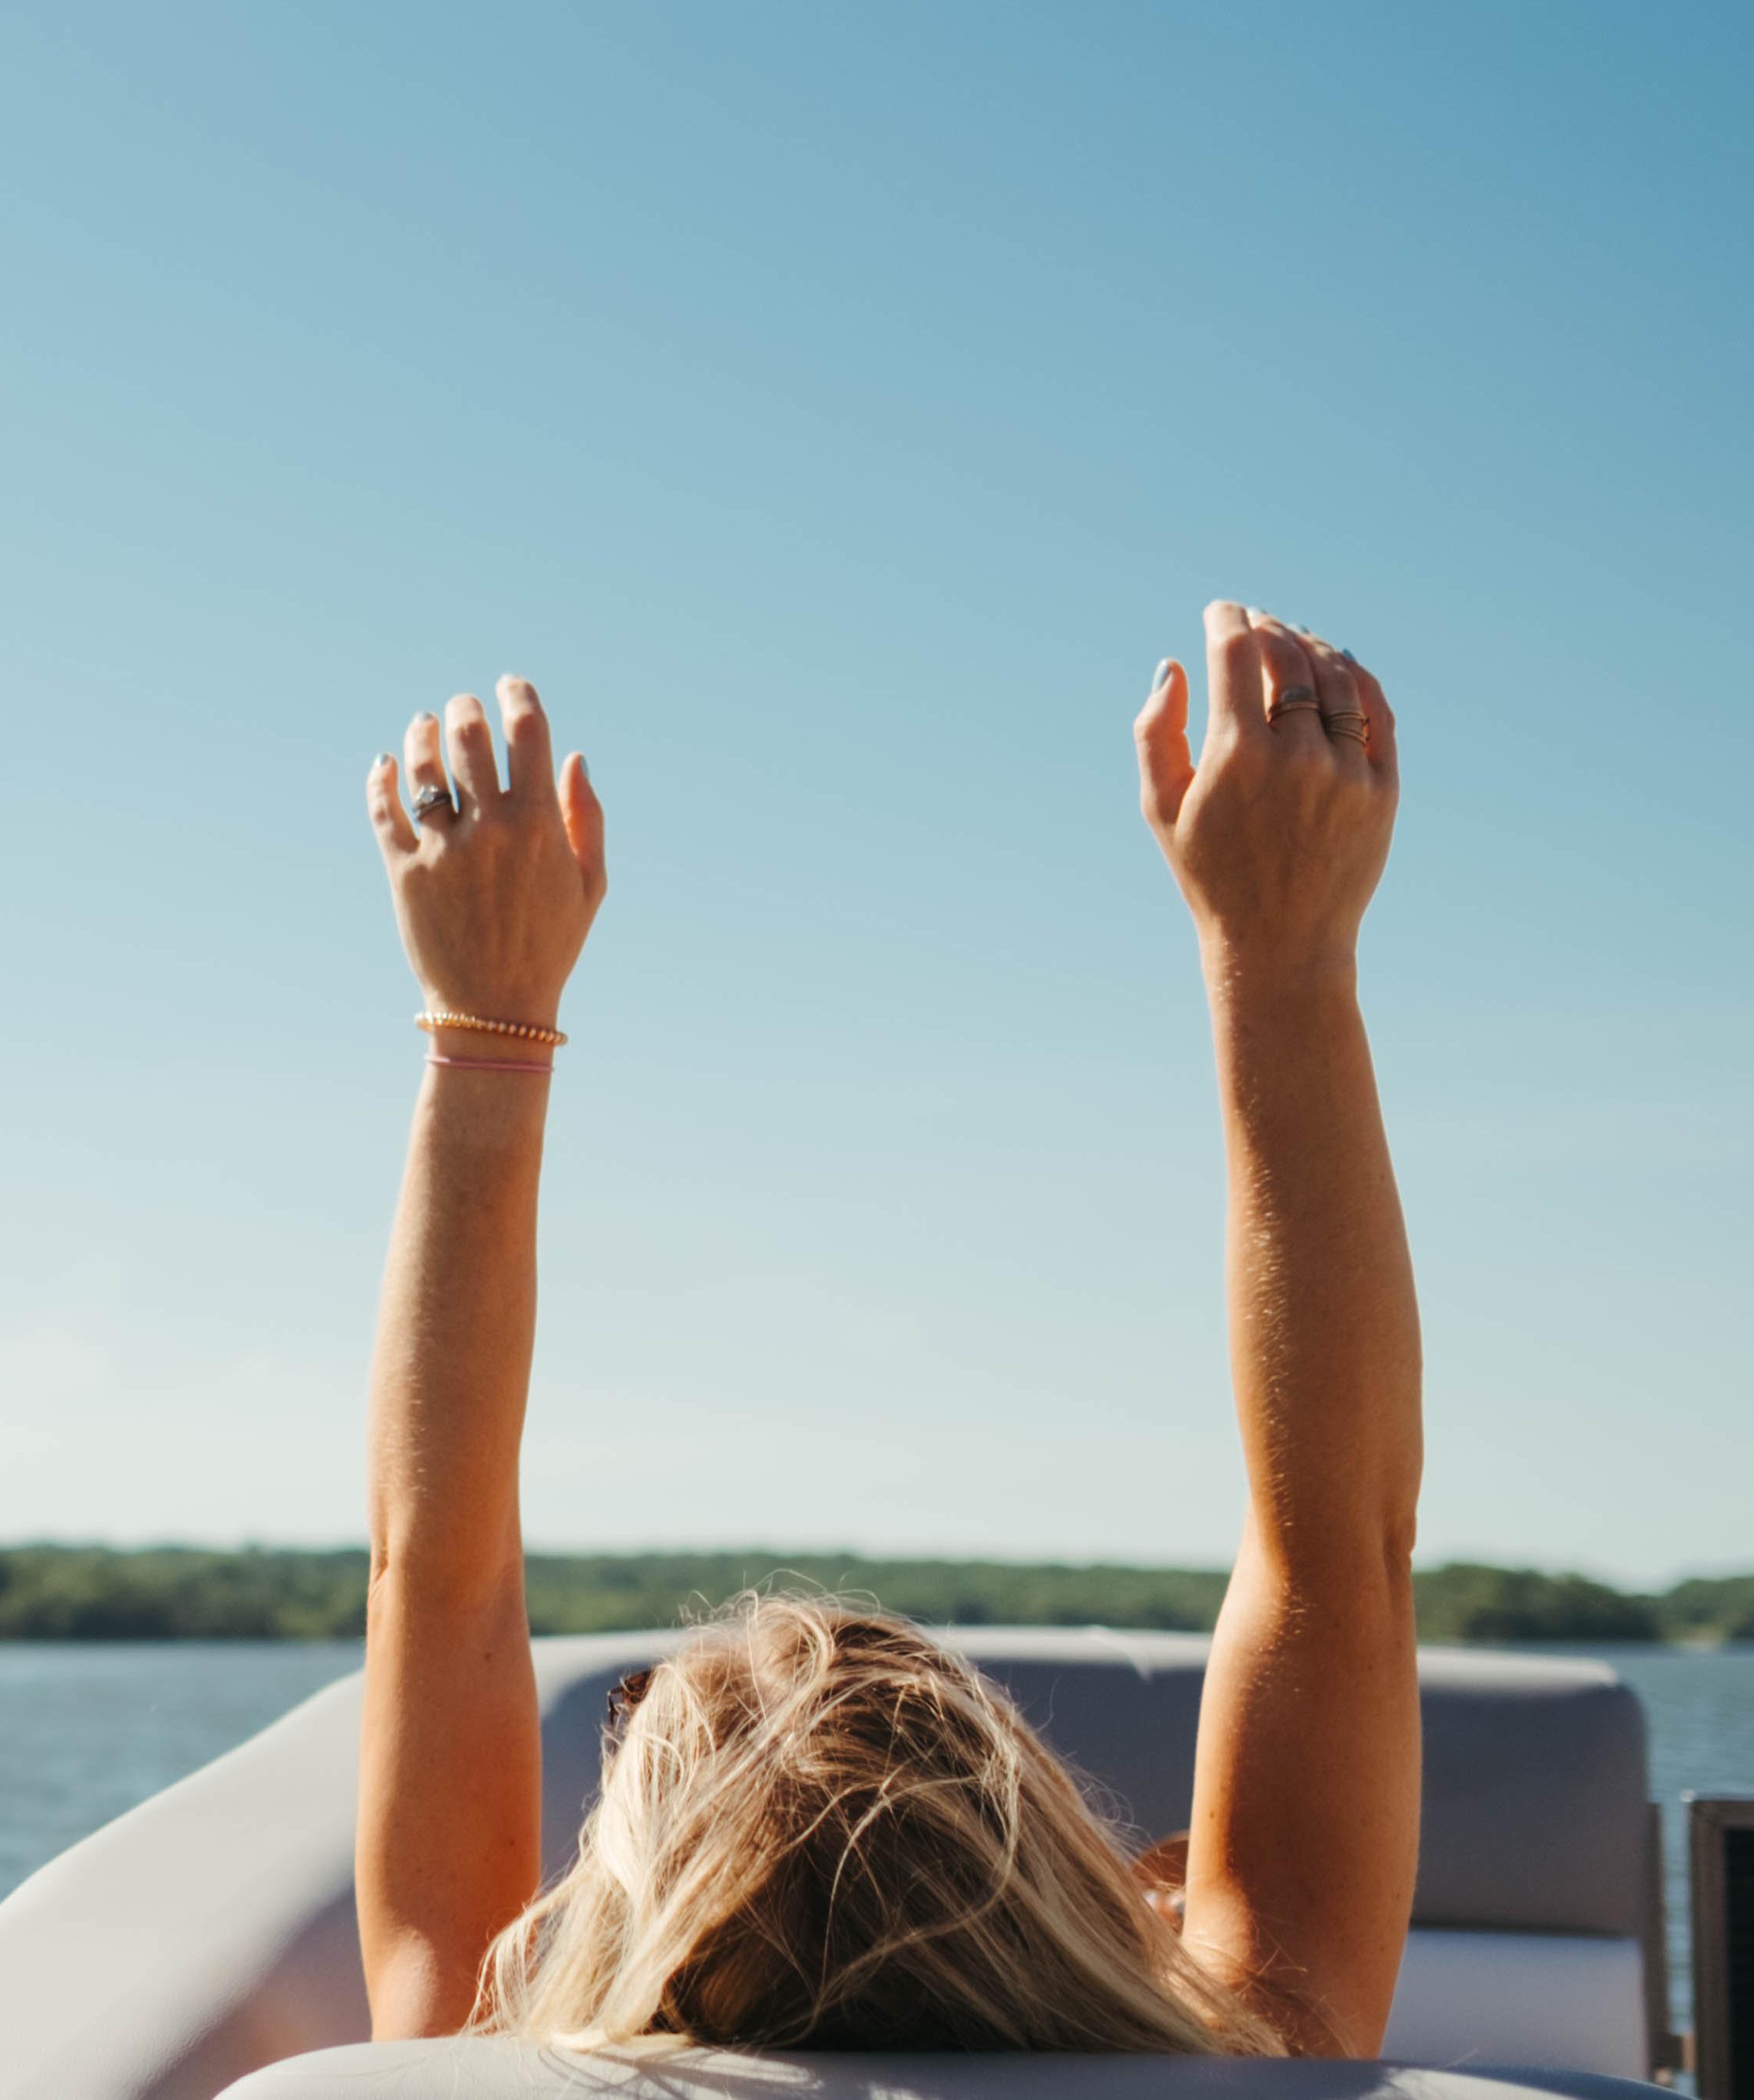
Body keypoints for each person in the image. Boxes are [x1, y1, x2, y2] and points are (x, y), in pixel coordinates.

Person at [351, 603, 1417, 2059]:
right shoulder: (1263, 2059)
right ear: (1053, 1881)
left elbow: (435, 1578)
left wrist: (486, 1025)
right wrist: (1284, 955)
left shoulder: (470, 2067)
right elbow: (1339, 1546)